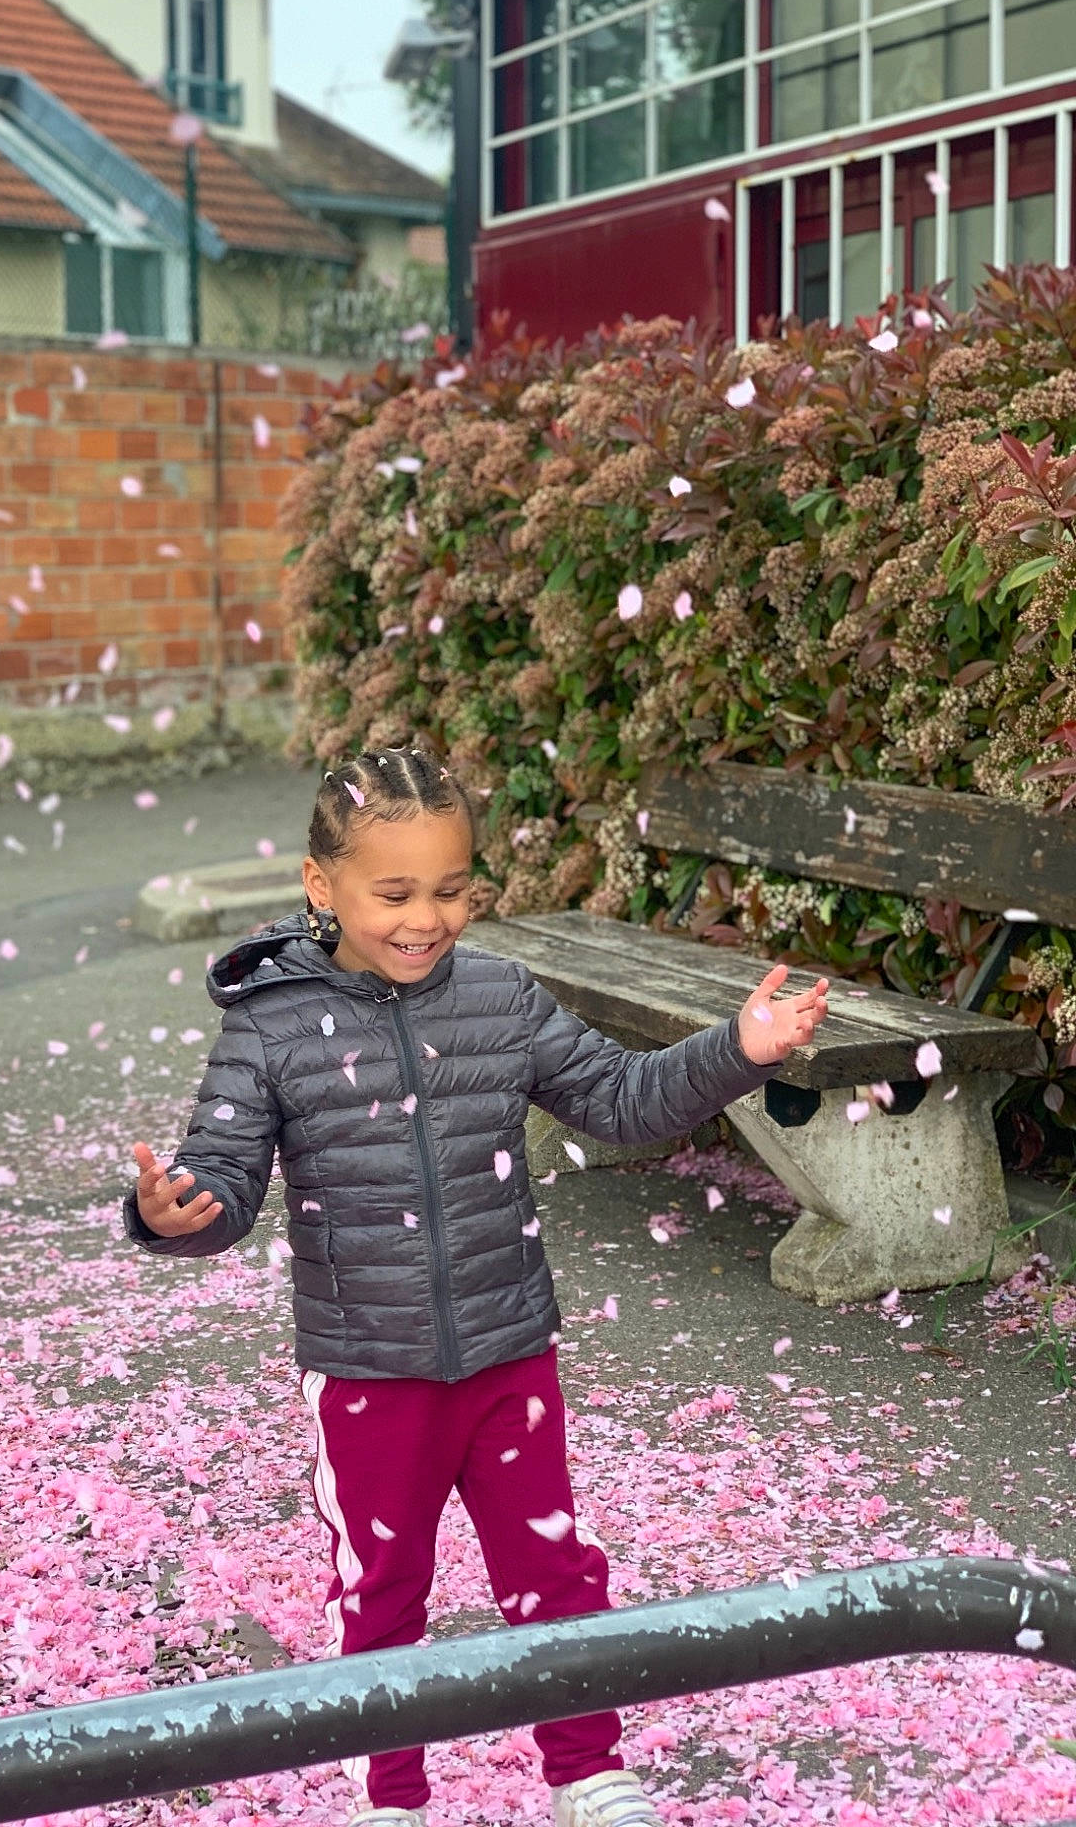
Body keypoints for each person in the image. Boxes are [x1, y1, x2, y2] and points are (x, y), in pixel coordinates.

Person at [122, 745, 828, 1827]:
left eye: (452, 887)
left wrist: (737, 1048)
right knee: (384, 1594)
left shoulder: (501, 994)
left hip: (511, 1352)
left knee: (555, 1569)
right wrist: (179, 1211)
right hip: (370, 1373)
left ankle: (589, 1772)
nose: (425, 915)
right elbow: (222, 1171)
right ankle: (390, 1797)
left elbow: (624, 1097)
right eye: (393, 891)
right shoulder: (266, 1024)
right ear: (323, 887)